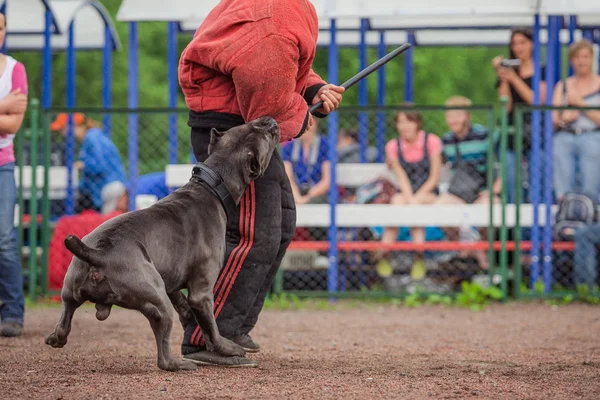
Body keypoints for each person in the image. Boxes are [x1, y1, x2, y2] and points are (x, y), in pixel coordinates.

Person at [178, 0, 344, 366]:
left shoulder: (283, 10)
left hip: (241, 125)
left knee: (279, 222)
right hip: (236, 133)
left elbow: (284, 68)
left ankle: (232, 325)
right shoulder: (276, 18)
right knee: (255, 232)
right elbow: (265, 92)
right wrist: (298, 115)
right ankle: (206, 336)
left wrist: (312, 89)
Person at [434, 96, 501, 270]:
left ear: (468, 115)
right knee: (438, 209)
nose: (452, 119)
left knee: (488, 213)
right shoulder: (446, 140)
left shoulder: (486, 135)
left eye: (457, 114)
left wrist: (494, 190)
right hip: (460, 192)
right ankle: (464, 248)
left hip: (484, 190)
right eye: (449, 115)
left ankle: (482, 252)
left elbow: (506, 165)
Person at [377, 108, 443, 280]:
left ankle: (418, 256)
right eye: (400, 122)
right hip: (405, 191)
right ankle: (386, 254)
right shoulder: (392, 146)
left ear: (417, 123)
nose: (404, 126)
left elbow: (434, 178)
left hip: (427, 191)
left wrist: (414, 199)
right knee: (398, 204)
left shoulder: (431, 141)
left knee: (416, 207)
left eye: (409, 121)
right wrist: (410, 198)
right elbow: (401, 176)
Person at [493, 27, 546, 203]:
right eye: (515, 44)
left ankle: (534, 228)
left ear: (532, 44)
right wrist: (503, 78)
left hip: (536, 133)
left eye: (522, 42)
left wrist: (515, 79)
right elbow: (505, 106)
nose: (518, 47)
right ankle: (516, 230)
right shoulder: (510, 72)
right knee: (511, 184)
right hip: (512, 132)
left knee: (536, 182)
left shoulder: (542, 70)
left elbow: (537, 101)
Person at [0, 11, 28, 337]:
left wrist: (9, 110)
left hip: (2, 163)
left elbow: (13, 124)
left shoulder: (15, 70)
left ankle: (12, 312)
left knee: (4, 239)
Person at [552, 39, 600, 202]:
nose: (582, 61)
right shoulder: (563, 86)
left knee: (591, 183)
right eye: (578, 57)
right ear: (572, 60)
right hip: (566, 136)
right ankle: (566, 217)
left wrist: (581, 104)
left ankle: (589, 216)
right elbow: (554, 120)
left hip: (592, 136)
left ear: (592, 59)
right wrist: (564, 119)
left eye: (585, 57)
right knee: (564, 184)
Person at [50, 113, 126, 213]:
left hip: (109, 186)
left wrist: (82, 165)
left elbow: (100, 165)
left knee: (107, 224)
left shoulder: (92, 138)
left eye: (62, 129)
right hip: (105, 188)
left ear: (74, 126)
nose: (62, 133)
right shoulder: (90, 138)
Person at [282, 118, 330, 204]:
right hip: (295, 193)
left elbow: (327, 181)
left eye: (310, 121)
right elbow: (287, 178)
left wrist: (308, 198)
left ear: (316, 123)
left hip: (317, 194)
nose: (307, 127)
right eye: (303, 122)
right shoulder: (289, 148)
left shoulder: (325, 146)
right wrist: (297, 198)